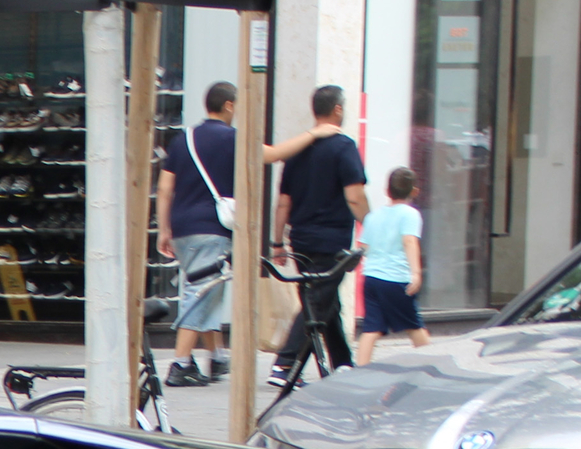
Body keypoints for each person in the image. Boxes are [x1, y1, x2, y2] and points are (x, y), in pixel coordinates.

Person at [154, 83, 348, 388]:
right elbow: (270, 155)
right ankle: (180, 363)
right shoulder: (233, 138)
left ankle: (216, 356)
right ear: (229, 106)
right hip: (212, 227)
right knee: (201, 292)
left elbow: (165, 188)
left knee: (207, 288)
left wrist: (164, 229)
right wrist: (313, 134)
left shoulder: (183, 139)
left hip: (182, 227)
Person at [269, 84, 370, 383]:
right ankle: (284, 365)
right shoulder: (344, 146)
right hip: (331, 239)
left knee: (327, 303)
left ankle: (343, 364)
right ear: (338, 109)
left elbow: (283, 202)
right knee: (317, 302)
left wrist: (277, 241)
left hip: (300, 238)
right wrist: (372, 226)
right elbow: (354, 196)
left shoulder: (296, 150)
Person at [354, 167, 428, 366]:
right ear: (415, 191)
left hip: (371, 278)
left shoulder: (372, 217)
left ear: (387, 191)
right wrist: (416, 273)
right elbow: (409, 241)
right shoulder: (410, 214)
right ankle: (432, 363)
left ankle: (360, 368)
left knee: (371, 329)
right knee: (414, 325)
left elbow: (363, 247)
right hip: (396, 278)